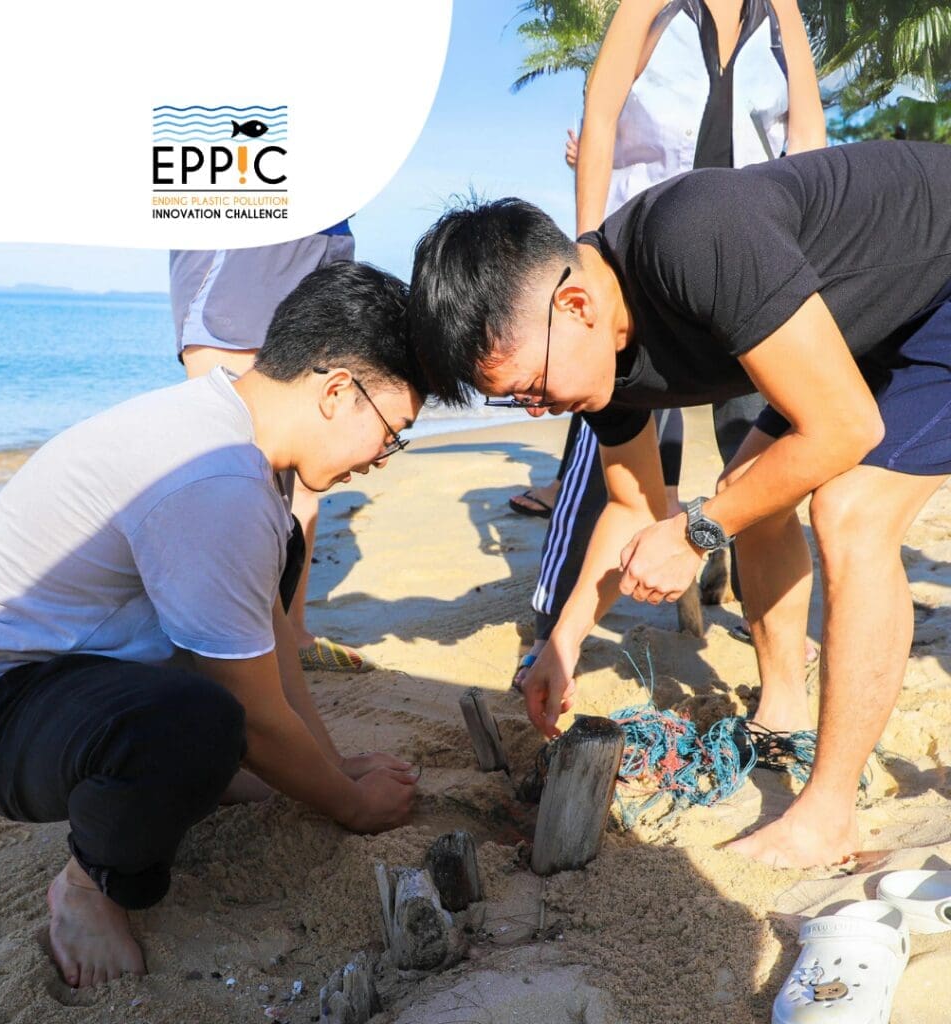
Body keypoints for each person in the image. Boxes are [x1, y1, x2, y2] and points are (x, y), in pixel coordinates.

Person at [408, 139, 951, 868]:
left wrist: (697, 532)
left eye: (531, 388)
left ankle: (828, 815)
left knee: (850, 512)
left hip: (939, 284)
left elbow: (846, 427)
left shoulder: (694, 236)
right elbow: (632, 505)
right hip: (878, 319)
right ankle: (784, 706)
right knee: (752, 490)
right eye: (515, 401)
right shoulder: (595, 359)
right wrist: (562, 644)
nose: (535, 410)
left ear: (573, 304)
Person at [0, 262, 425, 988]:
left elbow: (271, 640)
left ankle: (178, 780)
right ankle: (89, 884)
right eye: (392, 433)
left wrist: (330, 764)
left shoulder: (241, 430)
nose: (382, 459)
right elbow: (254, 716)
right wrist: (350, 806)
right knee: (202, 725)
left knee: (273, 570)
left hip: (79, 672)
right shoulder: (218, 476)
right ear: (337, 391)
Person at [512, 0, 825, 685]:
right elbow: (600, 118)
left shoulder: (782, 11)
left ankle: (765, 616)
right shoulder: (648, 3)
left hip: (749, 265)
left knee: (761, 452)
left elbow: (806, 132)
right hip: (644, 265)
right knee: (624, 453)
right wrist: (589, 248)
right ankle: (554, 627)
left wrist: (807, 251)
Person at [170, 223, 373, 671]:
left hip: (327, 228)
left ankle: (292, 632)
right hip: (246, 219)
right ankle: (216, 640)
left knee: (312, 448)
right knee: (226, 450)